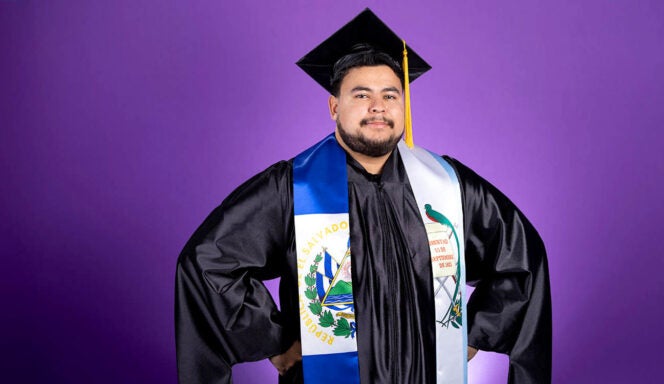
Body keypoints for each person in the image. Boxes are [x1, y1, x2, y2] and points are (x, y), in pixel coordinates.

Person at [175, 8, 551, 384]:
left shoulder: (448, 184)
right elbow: (208, 262)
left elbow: (521, 257)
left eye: (390, 94)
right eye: (361, 94)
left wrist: (472, 333)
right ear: (334, 107)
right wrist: (274, 339)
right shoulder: (293, 187)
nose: (378, 106)